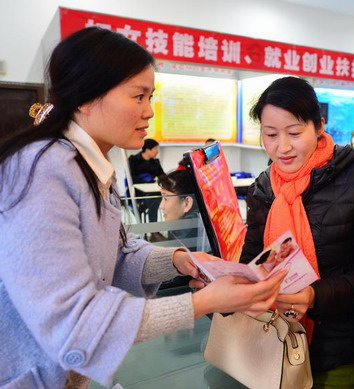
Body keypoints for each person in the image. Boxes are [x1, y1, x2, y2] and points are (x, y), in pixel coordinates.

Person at [0, 27, 285, 388]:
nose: (149, 112)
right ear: (87, 98)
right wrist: (203, 303)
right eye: (138, 96)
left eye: (150, 97)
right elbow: (76, 322)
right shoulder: (43, 171)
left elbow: (116, 252)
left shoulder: (89, 164)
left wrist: (182, 260)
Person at [240, 76, 354, 388]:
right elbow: (253, 260)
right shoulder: (263, 187)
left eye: (294, 133)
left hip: (336, 351)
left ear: (319, 126)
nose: (281, 147)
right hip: (271, 342)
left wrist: (313, 296)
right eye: (270, 134)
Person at [128, 138, 164, 223]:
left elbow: (162, 175)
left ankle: (153, 229)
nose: (157, 151)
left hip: (153, 192)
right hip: (137, 192)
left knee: (154, 198)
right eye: (155, 149)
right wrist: (146, 183)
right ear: (148, 150)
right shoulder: (133, 160)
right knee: (153, 200)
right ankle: (146, 229)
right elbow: (131, 177)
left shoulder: (155, 162)